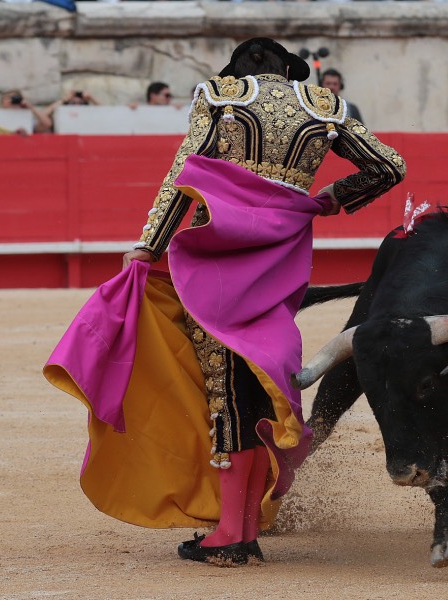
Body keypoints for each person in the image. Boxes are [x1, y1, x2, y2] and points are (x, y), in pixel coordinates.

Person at [44, 37, 405, 566]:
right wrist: (328, 200)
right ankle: (243, 528)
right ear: (288, 71)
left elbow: (184, 175)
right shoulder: (324, 106)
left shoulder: (221, 95)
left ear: (238, 70)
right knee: (253, 390)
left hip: (217, 262)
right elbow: (389, 167)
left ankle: (232, 536)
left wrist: (149, 247)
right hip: (279, 267)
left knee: (227, 393)